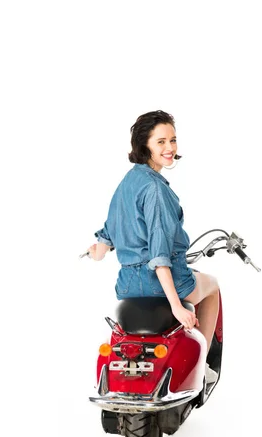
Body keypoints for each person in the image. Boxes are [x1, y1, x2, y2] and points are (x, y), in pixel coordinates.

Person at [86, 110, 219, 382]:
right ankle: (203, 367)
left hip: (127, 285)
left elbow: (105, 239)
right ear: (144, 144)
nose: (169, 148)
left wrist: (97, 249)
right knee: (212, 286)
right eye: (160, 142)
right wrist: (177, 307)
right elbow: (159, 257)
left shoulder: (127, 182)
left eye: (172, 140)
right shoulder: (156, 190)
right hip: (161, 283)